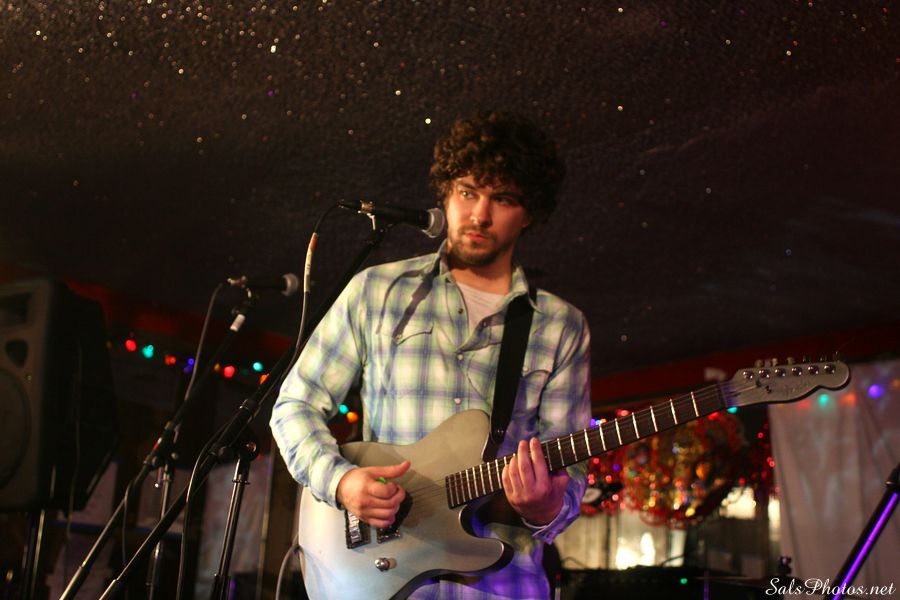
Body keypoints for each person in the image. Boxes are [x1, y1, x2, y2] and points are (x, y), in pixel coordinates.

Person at [270, 111, 591, 599]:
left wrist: (545, 507)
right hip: (379, 575)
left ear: (529, 213)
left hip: (501, 585)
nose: (479, 215)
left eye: (502, 199)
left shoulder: (561, 325)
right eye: (467, 192)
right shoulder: (377, 291)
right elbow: (294, 405)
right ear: (445, 193)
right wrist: (340, 483)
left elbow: (572, 471)